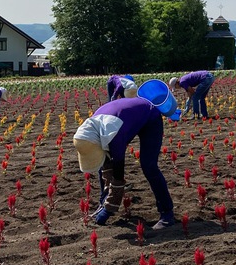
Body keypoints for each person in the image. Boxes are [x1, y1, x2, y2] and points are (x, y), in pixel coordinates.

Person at [74, 96, 179, 229]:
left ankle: (167, 213)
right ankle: (103, 202)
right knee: (103, 164)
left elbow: (118, 176)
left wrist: (111, 206)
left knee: (149, 166)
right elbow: (105, 165)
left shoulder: (113, 135)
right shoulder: (92, 129)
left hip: (150, 117)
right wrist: (105, 202)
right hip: (128, 118)